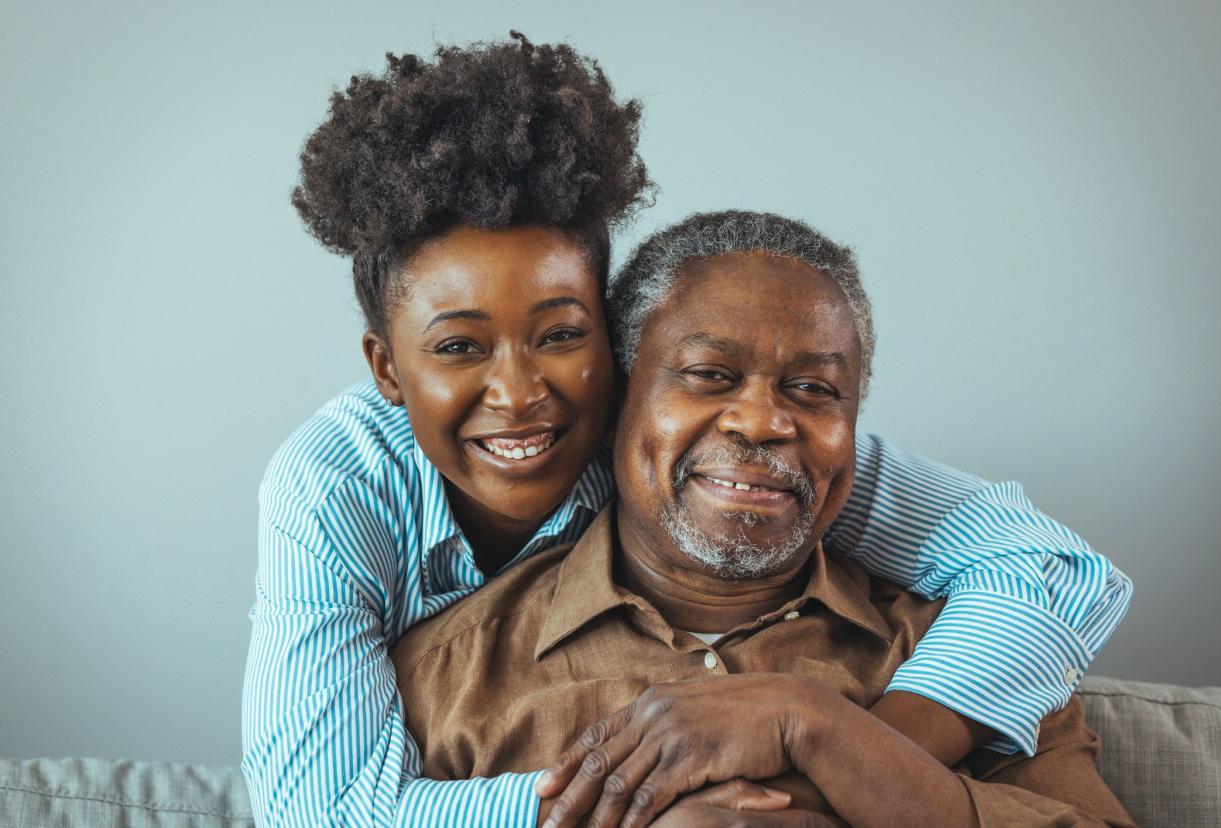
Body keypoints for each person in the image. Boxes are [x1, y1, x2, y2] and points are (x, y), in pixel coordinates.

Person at [241, 35, 1133, 828]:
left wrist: (829, 739)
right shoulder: (374, 560)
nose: (519, 395)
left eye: (560, 335)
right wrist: (649, 801)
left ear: (614, 364)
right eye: (460, 347)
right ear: (389, 369)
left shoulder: (934, 635)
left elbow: (1041, 565)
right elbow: (325, 809)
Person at [390, 210, 1135, 827]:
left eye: (813, 388)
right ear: (617, 400)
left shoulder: (971, 658)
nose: (761, 421)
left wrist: (820, 730)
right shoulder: (445, 678)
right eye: (708, 375)